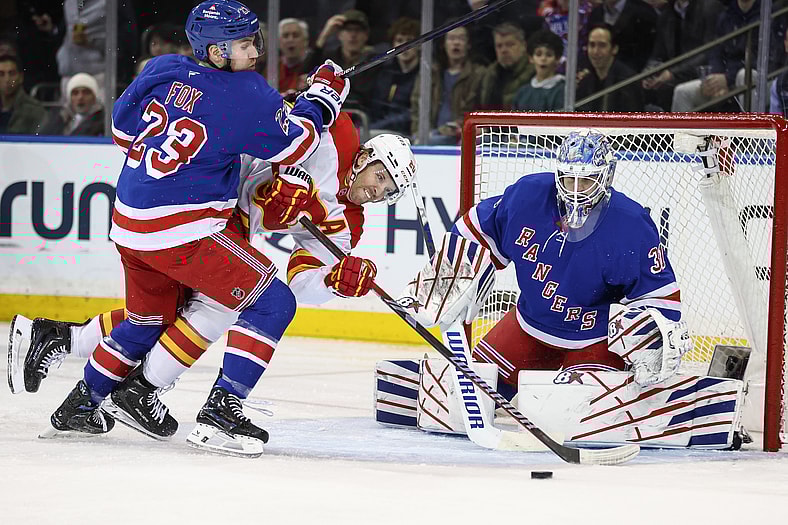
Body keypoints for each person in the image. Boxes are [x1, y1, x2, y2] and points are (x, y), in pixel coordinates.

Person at [24, 0, 349, 443]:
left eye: (254, 40)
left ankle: (82, 404)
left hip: (128, 224)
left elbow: (122, 133)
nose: (254, 52)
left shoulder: (162, 68)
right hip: (184, 232)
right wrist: (323, 97)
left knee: (146, 320)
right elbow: (297, 144)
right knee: (273, 302)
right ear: (216, 51)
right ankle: (223, 407)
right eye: (243, 43)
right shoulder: (245, 92)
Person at [9, 114, 418, 456]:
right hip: (212, 194)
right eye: (379, 176)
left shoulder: (348, 223)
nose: (374, 190)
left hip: (226, 221)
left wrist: (334, 283)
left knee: (163, 314)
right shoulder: (332, 137)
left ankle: (65, 349)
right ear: (364, 156)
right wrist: (320, 97)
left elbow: (304, 282)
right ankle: (162, 393)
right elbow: (282, 118)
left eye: (386, 191)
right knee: (228, 306)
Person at [449, 130, 688, 398]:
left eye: (585, 180)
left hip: (595, 340)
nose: (575, 190)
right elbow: (475, 230)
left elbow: (661, 297)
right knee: (466, 396)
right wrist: (452, 276)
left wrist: (647, 342)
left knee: (570, 415)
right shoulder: (527, 197)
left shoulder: (630, 224)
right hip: (529, 326)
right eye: (568, 178)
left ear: (605, 176)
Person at [671, 0, 780, 112]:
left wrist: (728, 79)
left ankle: (750, 128)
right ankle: (681, 130)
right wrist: (716, 78)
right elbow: (716, 51)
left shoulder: (770, 14)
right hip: (726, 77)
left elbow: (764, 60)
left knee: (745, 75)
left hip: (761, 79)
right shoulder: (726, 16)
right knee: (682, 92)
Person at [641, 0, 723, 112]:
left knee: (674, 90)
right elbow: (658, 54)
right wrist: (649, 73)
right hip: (676, 74)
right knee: (640, 88)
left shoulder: (709, 6)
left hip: (704, 73)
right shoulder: (667, 13)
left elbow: (709, 52)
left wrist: (672, 73)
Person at [409, 26, 485, 145]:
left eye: (461, 38)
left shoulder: (479, 74)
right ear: (443, 44)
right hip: (430, 133)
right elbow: (416, 106)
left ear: (468, 44)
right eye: (451, 38)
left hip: (459, 135)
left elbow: (476, 110)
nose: (456, 43)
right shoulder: (430, 72)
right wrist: (418, 132)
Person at [307, 9, 376, 113]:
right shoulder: (329, 58)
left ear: (366, 35)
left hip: (358, 118)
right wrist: (324, 36)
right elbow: (304, 73)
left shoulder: (373, 61)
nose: (353, 35)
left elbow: (364, 97)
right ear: (339, 34)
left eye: (357, 30)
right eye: (348, 30)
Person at [367, 17, 420, 135]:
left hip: (406, 132)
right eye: (399, 40)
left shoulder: (424, 75)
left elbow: (412, 114)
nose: (404, 46)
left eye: (410, 41)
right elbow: (376, 107)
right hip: (379, 129)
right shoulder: (386, 73)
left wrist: (373, 127)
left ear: (420, 45)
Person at [576, 24, 644, 112]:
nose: (595, 52)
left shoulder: (628, 81)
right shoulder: (585, 81)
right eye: (592, 45)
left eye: (602, 45)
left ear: (614, 49)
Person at [589, 0, 658, 73]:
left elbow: (652, 50)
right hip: (601, 75)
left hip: (634, 74)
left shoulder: (644, 12)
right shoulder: (595, 14)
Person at [479, 22, 534, 110]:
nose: (504, 50)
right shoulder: (489, 74)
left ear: (524, 46)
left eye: (510, 44)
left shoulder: (535, 73)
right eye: (499, 46)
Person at [512, 29, 565, 111]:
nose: (543, 59)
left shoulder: (562, 90)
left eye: (549, 55)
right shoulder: (522, 92)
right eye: (538, 54)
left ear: (557, 59)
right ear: (531, 58)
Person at [39, 72, 104, 136]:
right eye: (75, 93)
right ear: (69, 98)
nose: (80, 97)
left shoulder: (103, 120)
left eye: (86, 92)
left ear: (94, 97)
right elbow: (43, 137)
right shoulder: (59, 116)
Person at [0, 54, 47, 134]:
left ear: (21, 77)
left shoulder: (35, 110)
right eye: (1, 74)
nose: (7, 79)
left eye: (11, 74)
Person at [276, 18, 312, 96]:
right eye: (285, 36)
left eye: (295, 35)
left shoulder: (315, 66)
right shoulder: (271, 68)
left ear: (305, 41)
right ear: (279, 42)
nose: (290, 40)